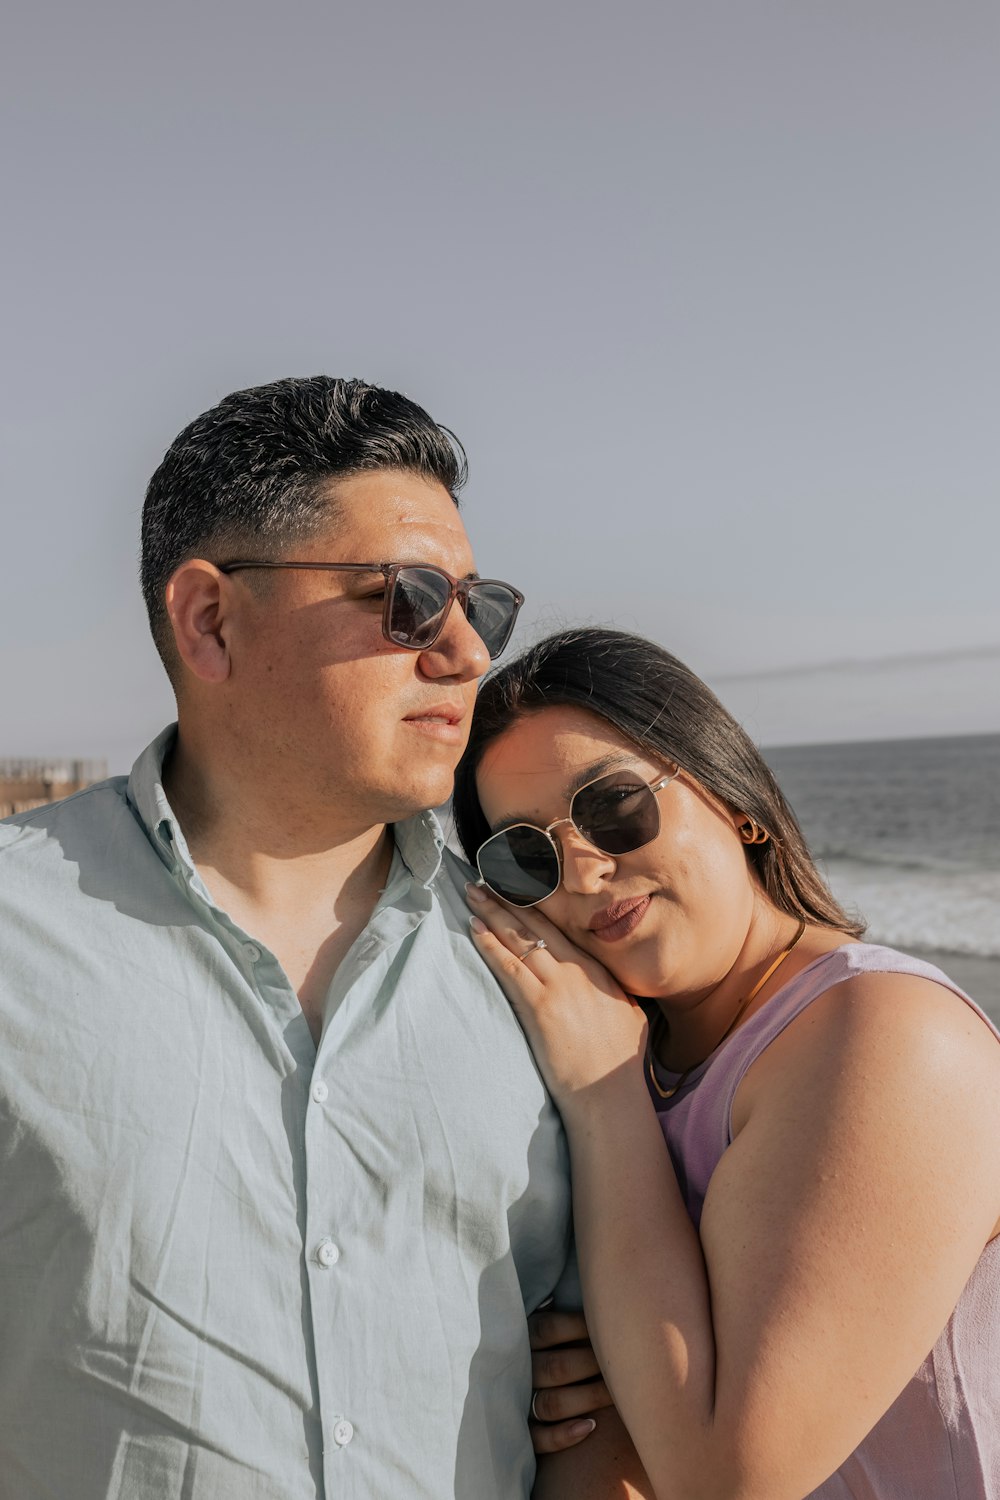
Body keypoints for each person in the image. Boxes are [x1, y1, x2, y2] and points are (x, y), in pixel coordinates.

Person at [0, 377, 587, 1500]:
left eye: (481, 605)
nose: (468, 653)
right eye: (409, 597)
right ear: (210, 619)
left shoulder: (549, 964)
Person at [454, 626, 1000, 1500]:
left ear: (730, 795)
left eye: (614, 807)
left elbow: (724, 1477)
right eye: (530, 856)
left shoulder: (886, 1035)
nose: (587, 869)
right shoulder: (628, 1050)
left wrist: (605, 1100)